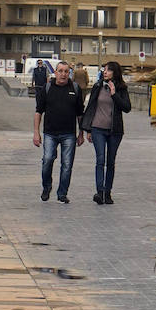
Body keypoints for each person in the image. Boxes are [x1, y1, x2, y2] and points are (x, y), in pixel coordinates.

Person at [33, 60, 84, 204]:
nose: (63, 74)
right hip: (50, 133)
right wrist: (36, 133)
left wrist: (81, 133)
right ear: (55, 72)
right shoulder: (47, 87)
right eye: (60, 71)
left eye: (66, 71)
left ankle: (62, 193)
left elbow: (80, 113)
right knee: (47, 159)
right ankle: (46, 186)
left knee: (67, 165)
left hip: (69, 134)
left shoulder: (75, 88)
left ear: (69, 73)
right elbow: (38, 112)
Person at [81, 59, 131, 205]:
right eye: (104, 69)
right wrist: (88, 129)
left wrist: (114, 94)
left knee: (110, 162)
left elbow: (127, 108)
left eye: (108, 70)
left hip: (115, 131)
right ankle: (100, 192)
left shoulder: (121, 88)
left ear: (115, 72)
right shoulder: (98, 86)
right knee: (100, 160)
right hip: (97, 129)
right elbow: (91, 107)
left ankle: (107, 192)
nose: (105, 72)